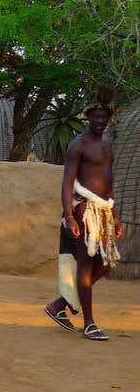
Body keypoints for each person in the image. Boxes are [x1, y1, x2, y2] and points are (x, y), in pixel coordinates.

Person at [44, 93, 122, 342]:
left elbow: (109, 184)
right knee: (86, 265)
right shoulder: (78, 145)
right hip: (84, 210)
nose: (100, 120)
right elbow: (67, 183)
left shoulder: (108, 145)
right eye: (96, 116)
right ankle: (89, 324)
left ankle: (59, 305)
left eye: (104, 117)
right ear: (88, 117)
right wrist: (70, 217)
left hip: (105, 212)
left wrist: (115, 216)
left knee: (107, 261)